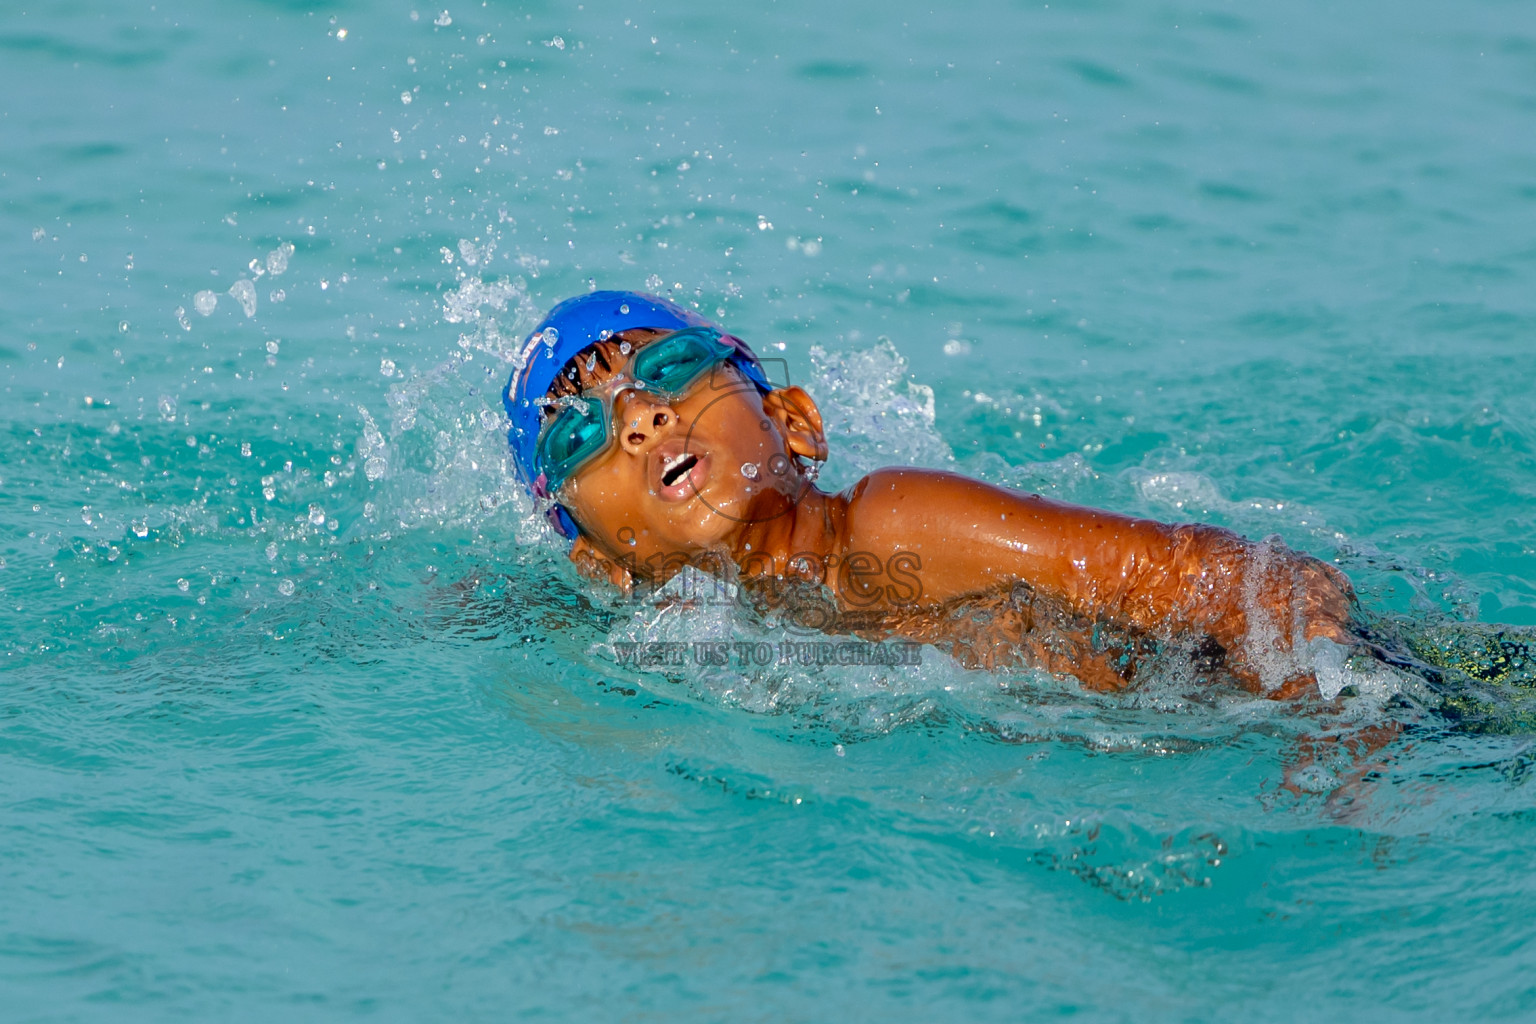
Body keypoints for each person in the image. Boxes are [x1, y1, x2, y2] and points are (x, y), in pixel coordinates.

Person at [504, 290, 1366, 699]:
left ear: (793, 422)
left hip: (1359, 706)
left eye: (669, 367)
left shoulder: (889, 525)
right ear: (604, 560)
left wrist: (1332, 720)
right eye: (577, 434)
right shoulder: (686, 654)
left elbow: (1223, 577)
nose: (637, 417)